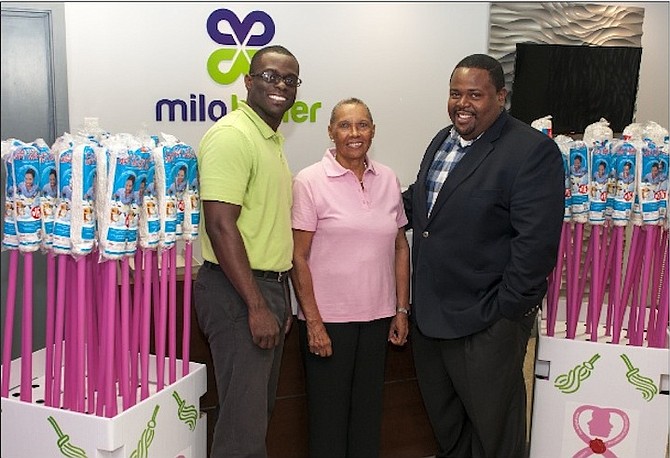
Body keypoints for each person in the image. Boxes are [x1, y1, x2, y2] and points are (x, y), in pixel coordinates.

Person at [402, 54, 564, 458]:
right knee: (449, 429)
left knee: (495, 436)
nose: (463, 103)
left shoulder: (530, 151)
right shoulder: (442, 139)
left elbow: (536, 244)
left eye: (475, 94)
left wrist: (508, 311)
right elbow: (421, 207)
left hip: (486, 321)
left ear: (500, 97)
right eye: (456, 93)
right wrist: (358, 192)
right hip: (431, 317)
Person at [194, 44, 300, 458]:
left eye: (290, 80)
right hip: (237, 292)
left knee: (254, 418)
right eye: (271, 76)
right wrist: (257, 306)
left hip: (263, 290)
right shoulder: (232, 136)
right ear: (249, 81)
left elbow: (267, 229)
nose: (280, 86)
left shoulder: (268, 138)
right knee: (243, 429)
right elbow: (221, 225)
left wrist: (279, 300)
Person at [291, 98, 410, 457]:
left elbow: (400, 247)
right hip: (329, 323)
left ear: (373, 130)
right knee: (328, 424)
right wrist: (313, 322)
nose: (354, 134)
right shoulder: (309, 181)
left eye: (362, 125)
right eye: (345, 125)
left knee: (367, 418)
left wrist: (401, 309)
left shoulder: (388, 178)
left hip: (377, 319)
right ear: (331, 132)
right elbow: (297, 256)